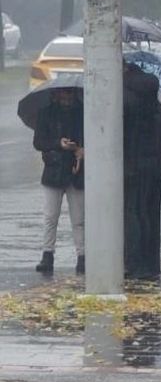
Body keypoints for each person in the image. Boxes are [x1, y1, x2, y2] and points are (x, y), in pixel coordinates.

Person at [32, 89, 85, 274]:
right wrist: (58, 144)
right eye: (63, 95)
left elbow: (93, 136)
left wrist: (82, 150)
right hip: (53, 171)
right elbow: (38, 142)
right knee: (50, 217)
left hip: (76, 171)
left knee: (79, 219)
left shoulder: (84, 113)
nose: (67, 99)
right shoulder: (46, 113)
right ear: (55, 96)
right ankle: (47, 255)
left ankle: (82, 256)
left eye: (70, 96)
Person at [122, 62, 161, 281]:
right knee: (146, 213)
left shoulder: (124, 99)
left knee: (131, 213)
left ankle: (132, 262)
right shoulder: (154, 103)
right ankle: (148, 264)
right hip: (153, 167)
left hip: (130, 165)